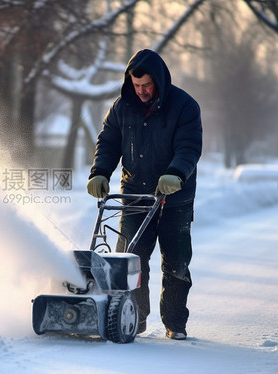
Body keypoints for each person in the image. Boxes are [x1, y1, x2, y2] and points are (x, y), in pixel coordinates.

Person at [86, 49, 202, 340]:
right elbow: (109, 142)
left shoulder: (184, 106)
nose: (142, 91)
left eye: (147, 85)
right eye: (136, 86)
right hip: (135, 194)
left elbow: (189, 147)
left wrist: (176, 173)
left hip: (174, 194)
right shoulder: (122, 107)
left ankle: (175, 323)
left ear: (159, 81)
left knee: (176, 261)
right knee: (130, 257)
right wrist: (99, 172)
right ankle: (132, 318)